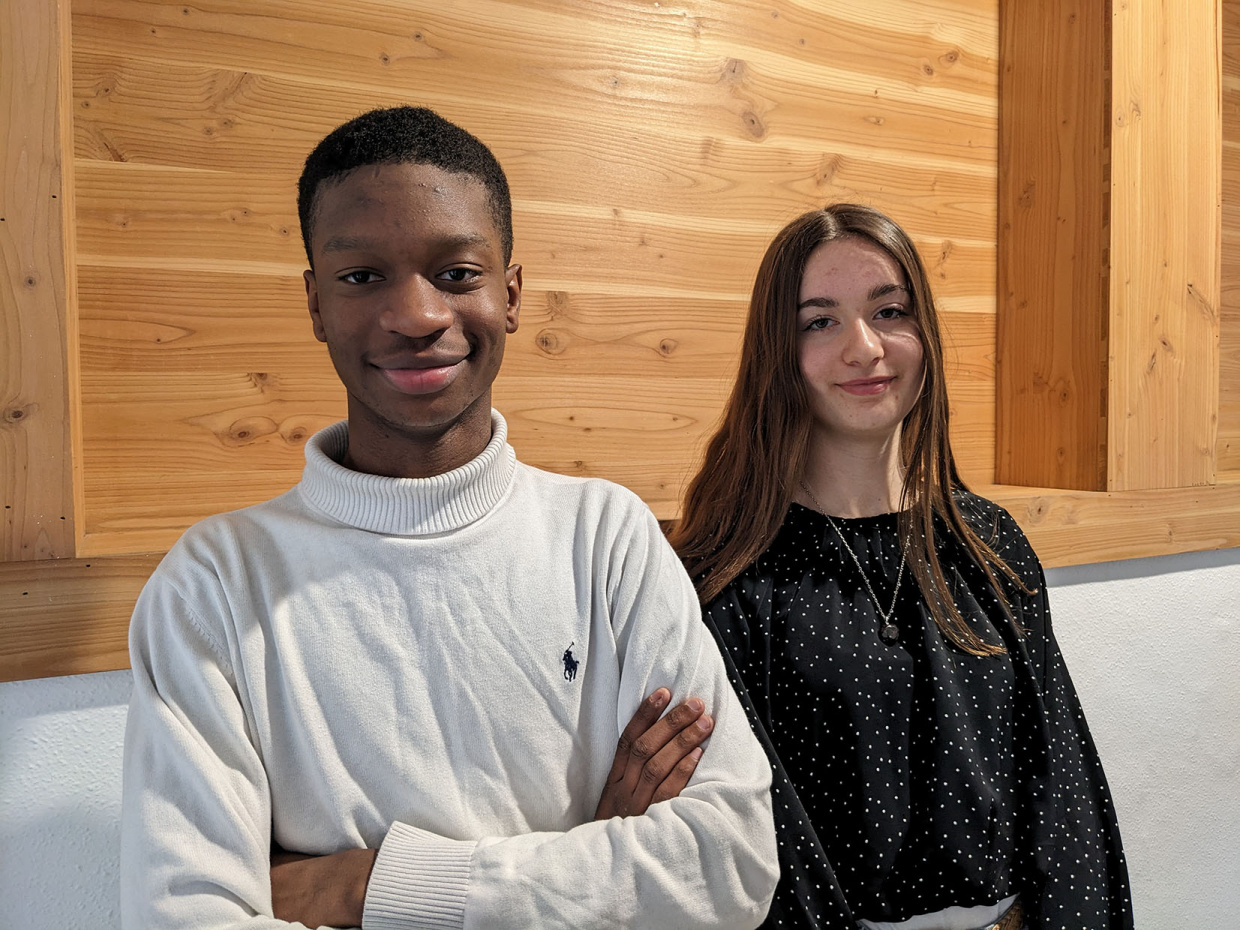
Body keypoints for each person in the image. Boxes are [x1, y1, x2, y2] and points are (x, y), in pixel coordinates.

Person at [120, 105, 779, 929]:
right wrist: (593, 860)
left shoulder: (607, 538)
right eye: (362, 277)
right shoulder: (215, 583)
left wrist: (370, 888)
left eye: (457, 273)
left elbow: (731, 866)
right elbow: (183, 918)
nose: (418, 315)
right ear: (316, 305)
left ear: (510, 295)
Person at [668, 204, 1133, 930]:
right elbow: (752, 839)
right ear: (777, 352)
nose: (864, 348)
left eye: (889, 311)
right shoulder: (729, 578)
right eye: (819, 321)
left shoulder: (990, 543)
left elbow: (1063, 790)